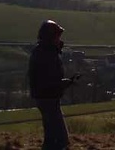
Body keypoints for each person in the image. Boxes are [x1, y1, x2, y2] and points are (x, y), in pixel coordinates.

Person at [28, 20, 79, 150]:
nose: (59, 39)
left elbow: (48, 80)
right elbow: (50, 81)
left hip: (44, 96)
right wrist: (66, 83)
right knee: (60, 138)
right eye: (57, 36)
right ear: (51, 37)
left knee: (51, 133)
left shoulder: (42, 51)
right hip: (48, 97)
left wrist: (66, 82)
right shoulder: (48, 54)